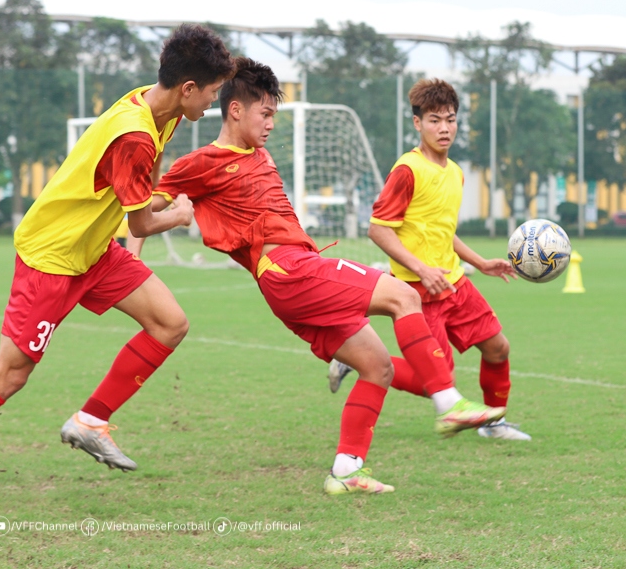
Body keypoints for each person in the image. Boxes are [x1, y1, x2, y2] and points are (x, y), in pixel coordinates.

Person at [0, 24, 236, 511]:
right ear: (188, 88)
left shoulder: (155, 106)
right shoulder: (133, 136)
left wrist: (142, 231)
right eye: (211, 93)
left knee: (169, 323)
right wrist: (181, 215)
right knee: (11, 373)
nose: (212, 104)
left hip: (95, 250)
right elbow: (144, 220)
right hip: (52, 256)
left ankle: (90, 421)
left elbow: (143, 191)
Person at [144, 58, 506, 495]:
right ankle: (448, 403)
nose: (272, 123)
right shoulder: (201, 162)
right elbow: (142, 215)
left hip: (290, 281)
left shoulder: (257, 154)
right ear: (235, 110)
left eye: (275, 114)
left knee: (376, 366)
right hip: (290, 271)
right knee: (402, 298)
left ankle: (346, 470)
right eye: (266, 113)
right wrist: (169, 213)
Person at [329, 78, 531, 441]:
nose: (444, 128)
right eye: (435, 120)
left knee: (498, 347)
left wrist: (481, 262)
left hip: (455, 282)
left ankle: (494, 424)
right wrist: (421, 268)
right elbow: (379, 229)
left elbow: (442, 230)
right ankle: (353, 361)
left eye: (450, 119)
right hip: (417, 292)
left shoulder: (454, 172)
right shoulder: (408, 170)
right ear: (417, 123)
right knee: (436, 382)